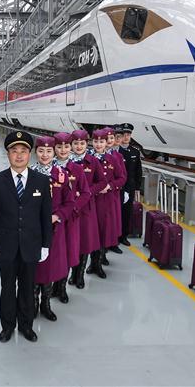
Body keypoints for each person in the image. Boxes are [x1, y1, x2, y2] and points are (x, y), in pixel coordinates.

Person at [0, 130, 52, 343]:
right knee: (7, 287)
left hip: (31, 245)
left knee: (27, 287)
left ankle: (26, 325)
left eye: (23, 151)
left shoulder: (41, 181)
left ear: (29, 154)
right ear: (8, 154)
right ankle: (7, 326)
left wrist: (46, 245)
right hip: (5, 245)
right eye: (14, 151)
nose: (19, 155)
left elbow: (44, 215)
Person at [31, 136, 74, 322]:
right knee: (33, 267)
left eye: (49, 151)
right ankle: (32, 303)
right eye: (41, 151)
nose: (45, 155)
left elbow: (69, 202)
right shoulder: (29, 173)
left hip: (54, 229)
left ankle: (45, 304)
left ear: (54, 152)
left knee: (49, 267)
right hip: (32, 230)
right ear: (36, 153)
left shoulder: (61, 175)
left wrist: (57, 216)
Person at [69, 129, 104, 282]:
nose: (78, 146)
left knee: (84, 242)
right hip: (69, 209)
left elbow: (102, 182)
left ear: (86, 144)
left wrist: (87, 191)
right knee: (71, 242)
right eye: (75, 143)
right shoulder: (64, 161)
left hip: (87, 208)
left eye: (82, 143)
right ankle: (71, 274)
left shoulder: (93, 161)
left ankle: (80, 275)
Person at [51, 132, 82, 301]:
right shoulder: (48, 166)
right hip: (52, 220)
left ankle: (61, 288)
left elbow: (85, 192)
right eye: (59, 147)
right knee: (53, 254)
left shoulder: (77, 168)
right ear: (54, 149)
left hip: (70, 220)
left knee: (67, 253)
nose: (63, 150)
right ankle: (52, 286)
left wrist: (72, 207)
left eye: (66, 147)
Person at [91, 129, 119, 271]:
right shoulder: (87, 159)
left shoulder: (112, 159)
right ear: (92, 142)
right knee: (91, 232)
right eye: (96, 141)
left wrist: (110, 186)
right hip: (90, 202)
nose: (99, 144)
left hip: (106, 201)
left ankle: (98, 263)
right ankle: (91, 263)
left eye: (101, 141)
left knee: (103, 231)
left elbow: (122, 177)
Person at [117, 123, 143, 240]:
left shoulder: (135, 152)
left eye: (128, 134)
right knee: (117, 213)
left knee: (127, 212)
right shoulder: (116, 152)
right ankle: (115, 237)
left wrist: (137, 188)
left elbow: (138, 171)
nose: (126, 137)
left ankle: (124, 236)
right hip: (118, 188)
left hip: (130, 187)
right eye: (124, 134)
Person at [104, 128, 127, 255]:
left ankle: (105, 254)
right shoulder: (92, 155)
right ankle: (95, 260)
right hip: (97, 197)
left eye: (111, 138)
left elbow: (123, 177)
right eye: (106, 139)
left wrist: (111, 186)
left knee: (111, 225)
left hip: (112, 195)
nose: (109, 141)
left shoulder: (118, 156)